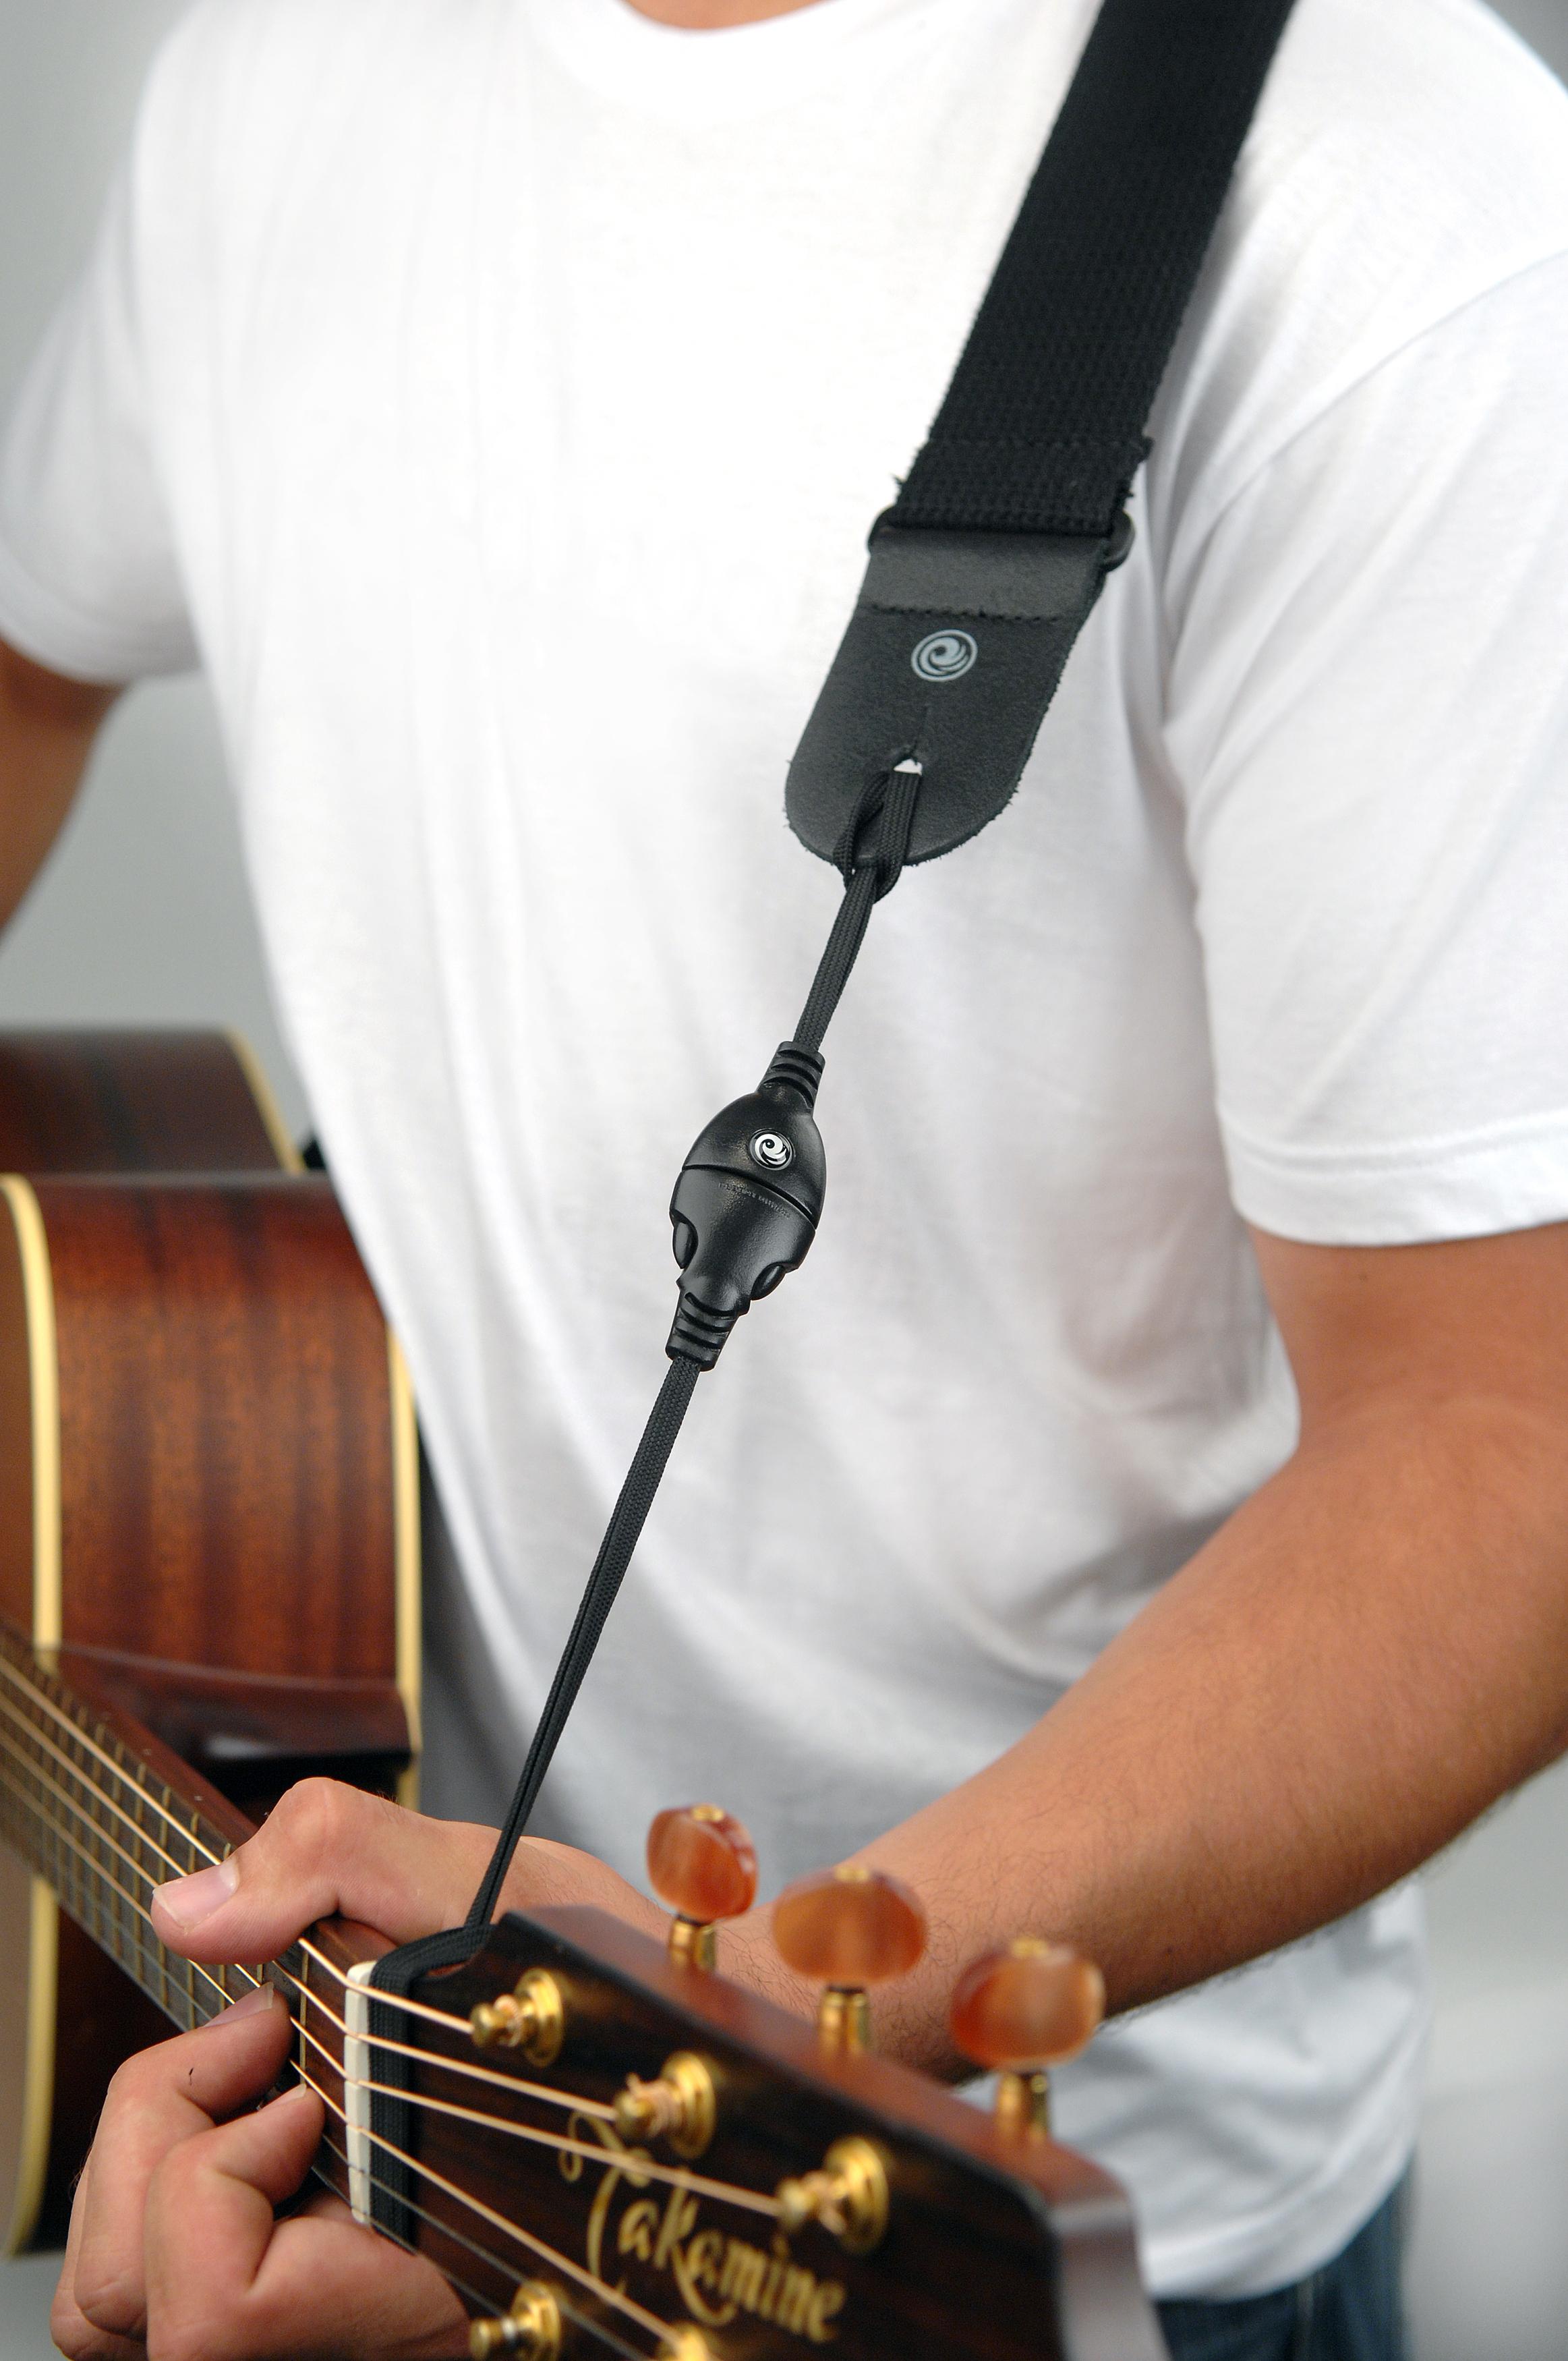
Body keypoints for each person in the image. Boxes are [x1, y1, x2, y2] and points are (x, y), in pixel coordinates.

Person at [3, 0, 1568, 2353]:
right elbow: (31, 656)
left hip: (971, 2204)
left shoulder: (1392, 204)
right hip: (359, 2011)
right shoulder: (278, 65)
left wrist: (774, 1990)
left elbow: (1512, 1440)